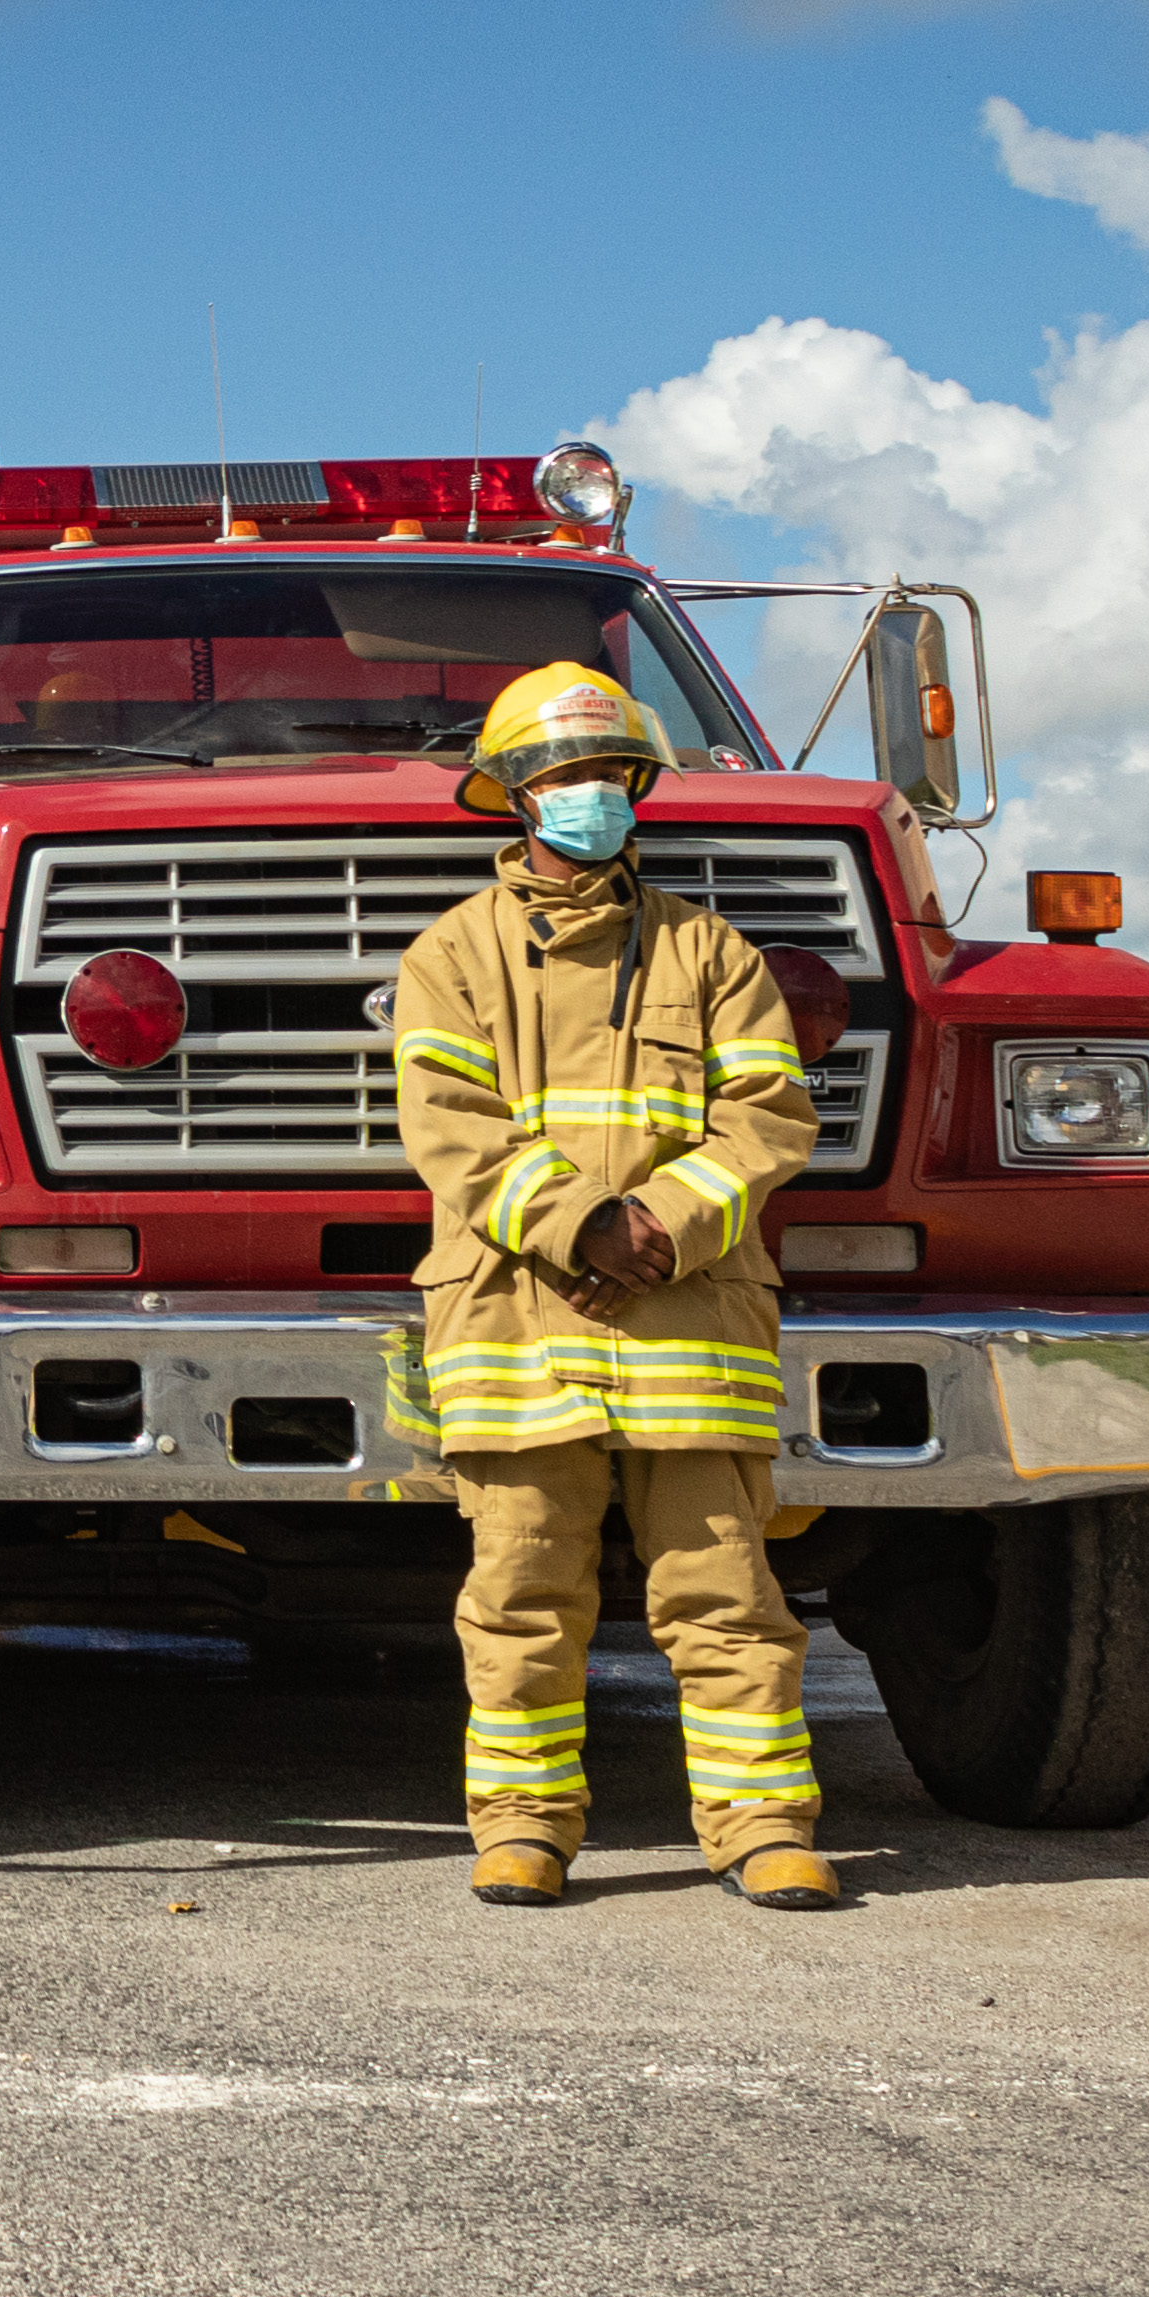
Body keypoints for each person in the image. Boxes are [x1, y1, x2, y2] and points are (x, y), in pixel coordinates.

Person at [383, 663, 842, 1910]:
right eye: (562, 775)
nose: (590, 794)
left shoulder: (711, 951)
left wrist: (661, 1228)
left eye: (607, 773)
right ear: (515, 796)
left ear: (638, 787)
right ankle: (523, 1828)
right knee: (522, 1594)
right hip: (520, 1323)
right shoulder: (451, 958)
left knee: (728, 1598)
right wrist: (583, 1226)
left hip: (687, 1317)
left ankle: (762, 1828)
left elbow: (770, 1118)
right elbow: (451, 1126)